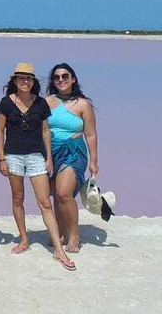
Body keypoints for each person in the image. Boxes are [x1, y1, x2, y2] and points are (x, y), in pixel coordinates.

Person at [0, 63, 76, 271]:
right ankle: (24, 239)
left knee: (44, 202)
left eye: (28, 78)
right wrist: (1, 158)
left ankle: (59, 249)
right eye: (21, 78)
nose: (25, 82)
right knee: (17, 198)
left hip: (35, 156)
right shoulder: (5, 103)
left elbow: (45, 131)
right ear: (14, 81)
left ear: (34, 82)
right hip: (13, 156)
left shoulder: (40, 104)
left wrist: (48, 157)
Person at [46, 63, 99, 253]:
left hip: (73, 151)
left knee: (63, 193)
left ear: (73, 79)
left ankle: (74, 234)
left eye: (65, 76)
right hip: (50, 152)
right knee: (54, 194)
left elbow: (91, 134)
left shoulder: (83, 104)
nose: (61, 80)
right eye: (57, 77)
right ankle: (60, 232)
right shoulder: (47, 101)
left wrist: (94, 161)